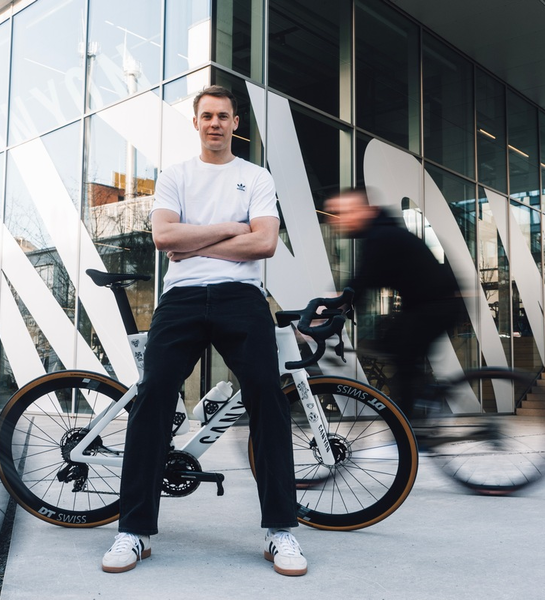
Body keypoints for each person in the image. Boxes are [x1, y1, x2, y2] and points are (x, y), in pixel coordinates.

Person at [101, 85, 306, 577]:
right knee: (153, 396)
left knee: (268, 396)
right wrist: (234, 228)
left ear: (236, 123)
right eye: (207, 115)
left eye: (223, 116)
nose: (215, 123)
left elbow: (266, 244)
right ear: (196, 123)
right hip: (183, 298)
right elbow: (164, 236)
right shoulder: (175, 176)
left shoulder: (255, 177)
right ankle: (133, 531)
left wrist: (196, 243)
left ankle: (281, 530)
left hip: (242, 297)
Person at [324, 187, 463, 418]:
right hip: (428, 305)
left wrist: (327, 314)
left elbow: (360, 284)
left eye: (345, 212)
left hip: (437, 306)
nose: (338, 220)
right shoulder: (381, 234)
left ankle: (412, 424)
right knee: (395, 349)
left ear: (367, 211)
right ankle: (420, 406)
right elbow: (364, 284)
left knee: (402, 357)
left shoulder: (381, 237)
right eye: (335, 214)